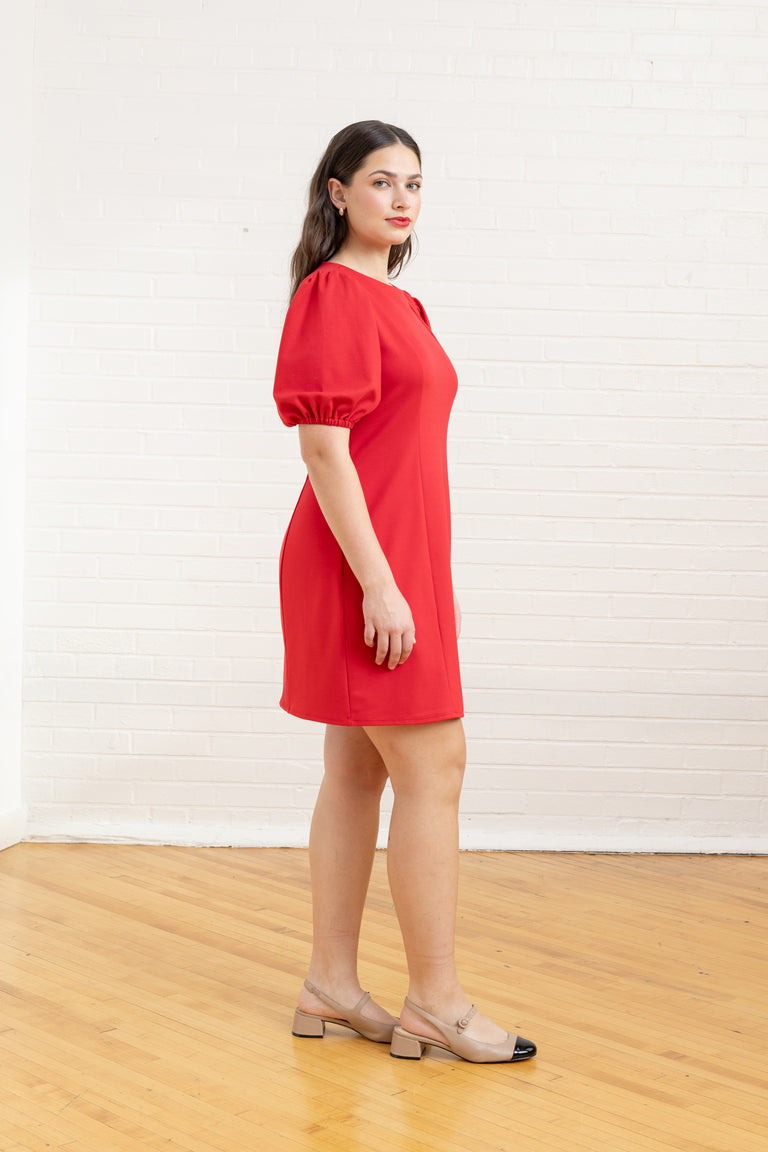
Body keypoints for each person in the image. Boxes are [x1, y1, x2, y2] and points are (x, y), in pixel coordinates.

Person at [273, 120, 536, 1063]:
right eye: (381, 180)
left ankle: (330, 985)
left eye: (414, 183)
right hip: (360, 566)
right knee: (437, 765)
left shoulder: (400, 304)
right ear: (337, 192)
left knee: (358, 770)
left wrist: (414, 580)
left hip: (394, 563)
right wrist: (381, 585)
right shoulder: (332, 294)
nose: (401, 198)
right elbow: (323, 449)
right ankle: (437, 1003)